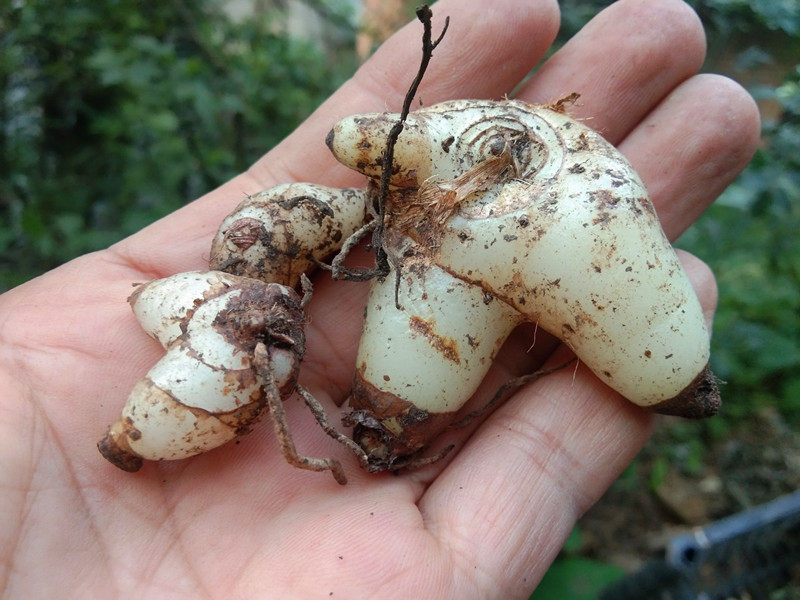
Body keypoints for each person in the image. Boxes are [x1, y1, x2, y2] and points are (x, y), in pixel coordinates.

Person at [0, 0, 760, 597]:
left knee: (652, 362)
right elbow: (349, 149)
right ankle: (376, 431)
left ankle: (390, 429)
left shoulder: (530, 189)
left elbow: (356, 142)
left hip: (426, 244)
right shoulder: (386, 222)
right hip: (368, 262)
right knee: (393, 390)